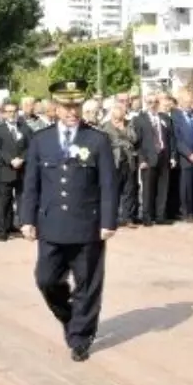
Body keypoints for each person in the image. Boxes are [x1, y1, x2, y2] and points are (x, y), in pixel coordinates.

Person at [19, 80, 118, 363]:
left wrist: (108, 221)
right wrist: (27, 218)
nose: (72, 111)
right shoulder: (41, 140)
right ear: (55, 107)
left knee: (88, 284)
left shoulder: (97, 140)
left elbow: (108, 185)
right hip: (51, 224)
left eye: (76, 105)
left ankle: (80, 338)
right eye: (66, 106)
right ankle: (70, 316)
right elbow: (32, 185)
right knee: (46, 279)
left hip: (87, 223)